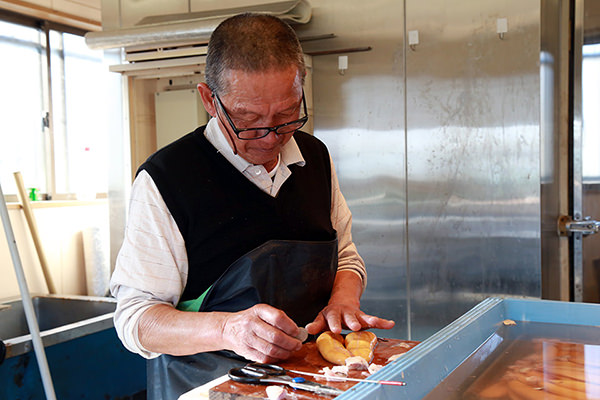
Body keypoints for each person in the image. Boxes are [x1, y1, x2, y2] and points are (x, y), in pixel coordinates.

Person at [110, 12, 395, 399]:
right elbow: (136, 320)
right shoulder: (167, 179)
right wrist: (228, 329)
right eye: (248, 120)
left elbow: (344, 254)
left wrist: (343, 298)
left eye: (286, 115)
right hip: (208, 387)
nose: (269, 137)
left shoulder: (315, 158)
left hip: (308, 383)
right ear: (210, 99)